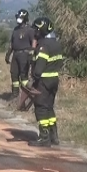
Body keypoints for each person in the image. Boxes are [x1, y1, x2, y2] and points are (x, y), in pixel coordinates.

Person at [28, 17, 63, 147]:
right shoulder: (56, 44)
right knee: (49, 107)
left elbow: (39, 68)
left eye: (36, 30)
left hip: (44, 81)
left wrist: (33, 80)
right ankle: (54, 136)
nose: (35, 32)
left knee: (41, 108)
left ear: (41, 30)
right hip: (54, 80)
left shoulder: (43, 46)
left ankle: (44, 138)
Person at [4, 9, 36, 98]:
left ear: (24, 18)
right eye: (17, 17)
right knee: (14, 74)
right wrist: (8, 54)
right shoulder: (15, 29)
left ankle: (27, 95)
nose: (18, 19)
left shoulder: (30, 30)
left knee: (23, 75)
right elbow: (12, 43)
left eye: (20, 17)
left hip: (24, 55)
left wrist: (32, 53)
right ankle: (15, 94)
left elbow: (34, 41)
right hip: (15, 54)